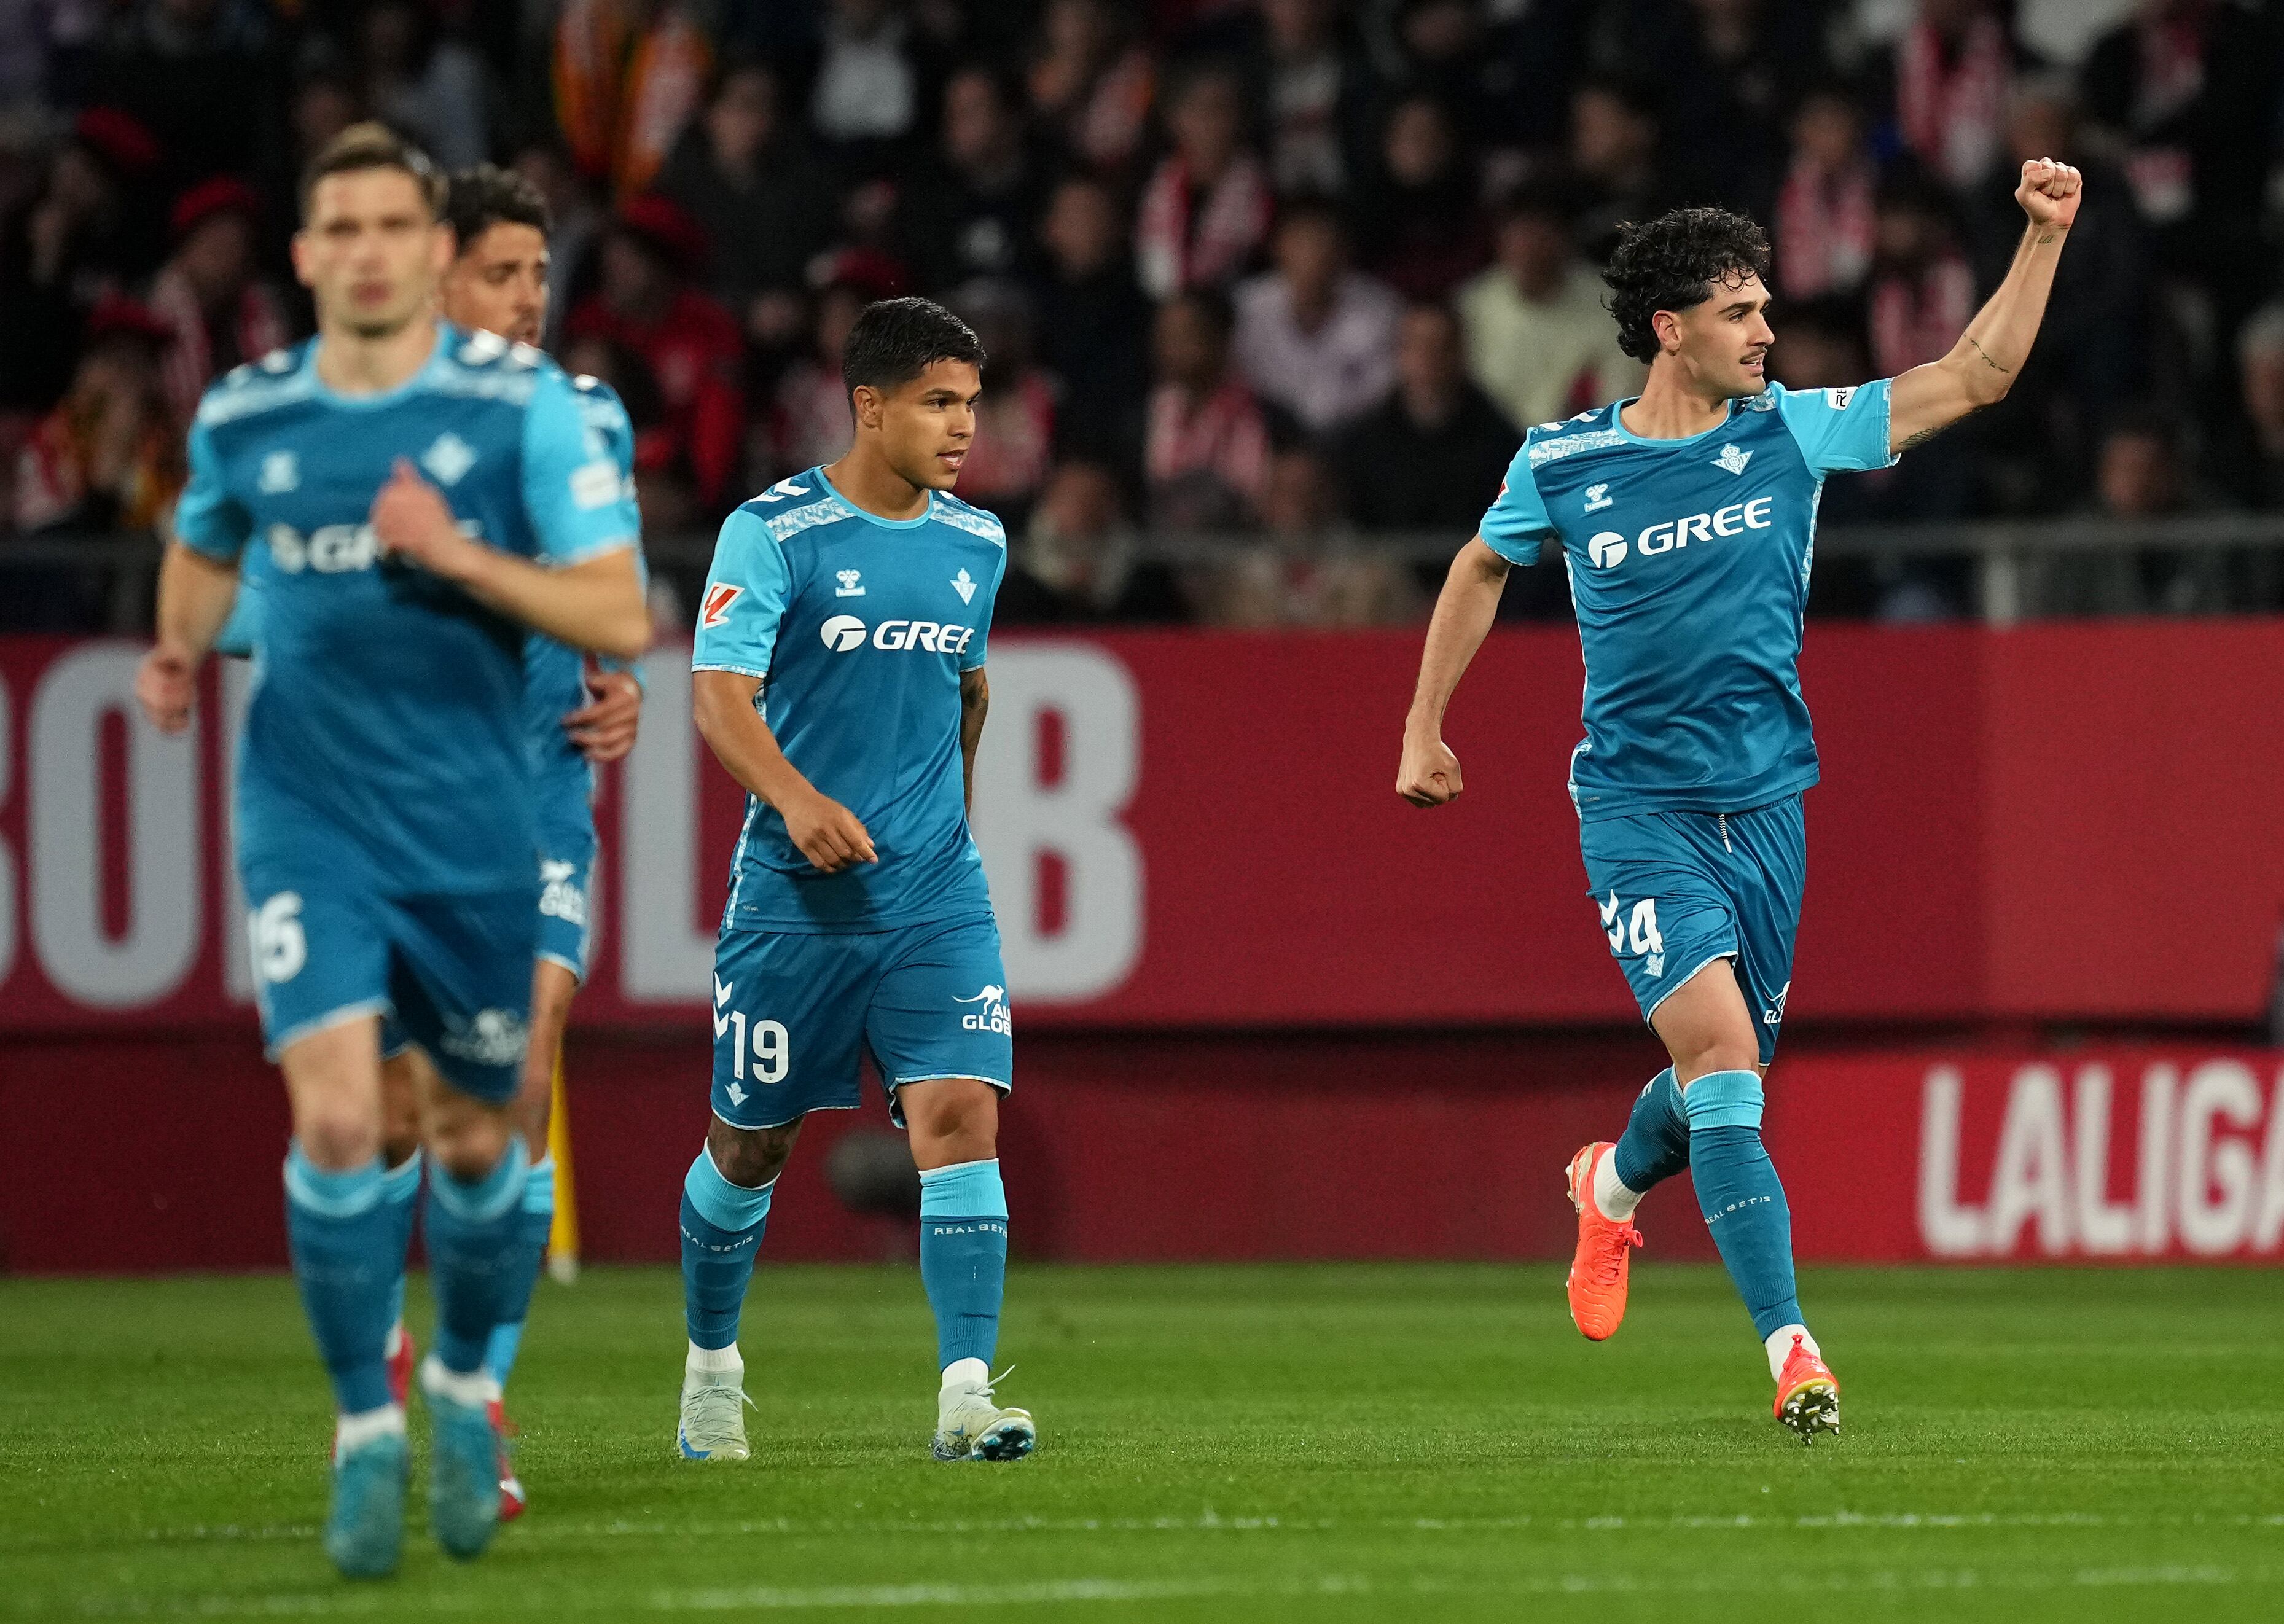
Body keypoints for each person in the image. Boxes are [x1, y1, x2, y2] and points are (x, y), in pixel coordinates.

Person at [1394, 162, 2083, 1439]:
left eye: (1765, 307)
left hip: (1766, 808)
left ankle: (1608, 1180)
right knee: (1720, 1065)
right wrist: (1423, 724)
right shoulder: (1566, 458)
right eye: (1739, 311)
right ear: (1670, 330)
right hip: (1634, 810)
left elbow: (1974, 375)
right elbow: (1481, 564)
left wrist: (2040, 238)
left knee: (1721, 1077)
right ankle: (1793, 1353)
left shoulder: (1792, 433)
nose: (1767, 331)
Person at [132, 123, 647, 1577]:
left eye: (388, 227)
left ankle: (468, 1383)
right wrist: (178, 649)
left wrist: (467, 563)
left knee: (476, 1130)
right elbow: (204, 545)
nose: (363, 251)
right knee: (348, 1120)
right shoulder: (248, 414)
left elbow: (616, 611)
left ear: (420, 253)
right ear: (307, 256)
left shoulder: (543, 415)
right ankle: (367, 1422)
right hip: (309, 811)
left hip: (490, 805)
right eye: (336, 227)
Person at [675, 296, 1034, 1467]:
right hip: (795, 901)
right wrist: (796, 798)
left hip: (934, 894)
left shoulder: (975, 544)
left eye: (972, 404)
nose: (961, 426)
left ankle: (966, 1395)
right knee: (751, 1147)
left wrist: (954, 832)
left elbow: (966, 698)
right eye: (938, 402)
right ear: (868, 405)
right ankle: (713, 1376)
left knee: (960, 1117)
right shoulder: (770, 536)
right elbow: (719, 697)